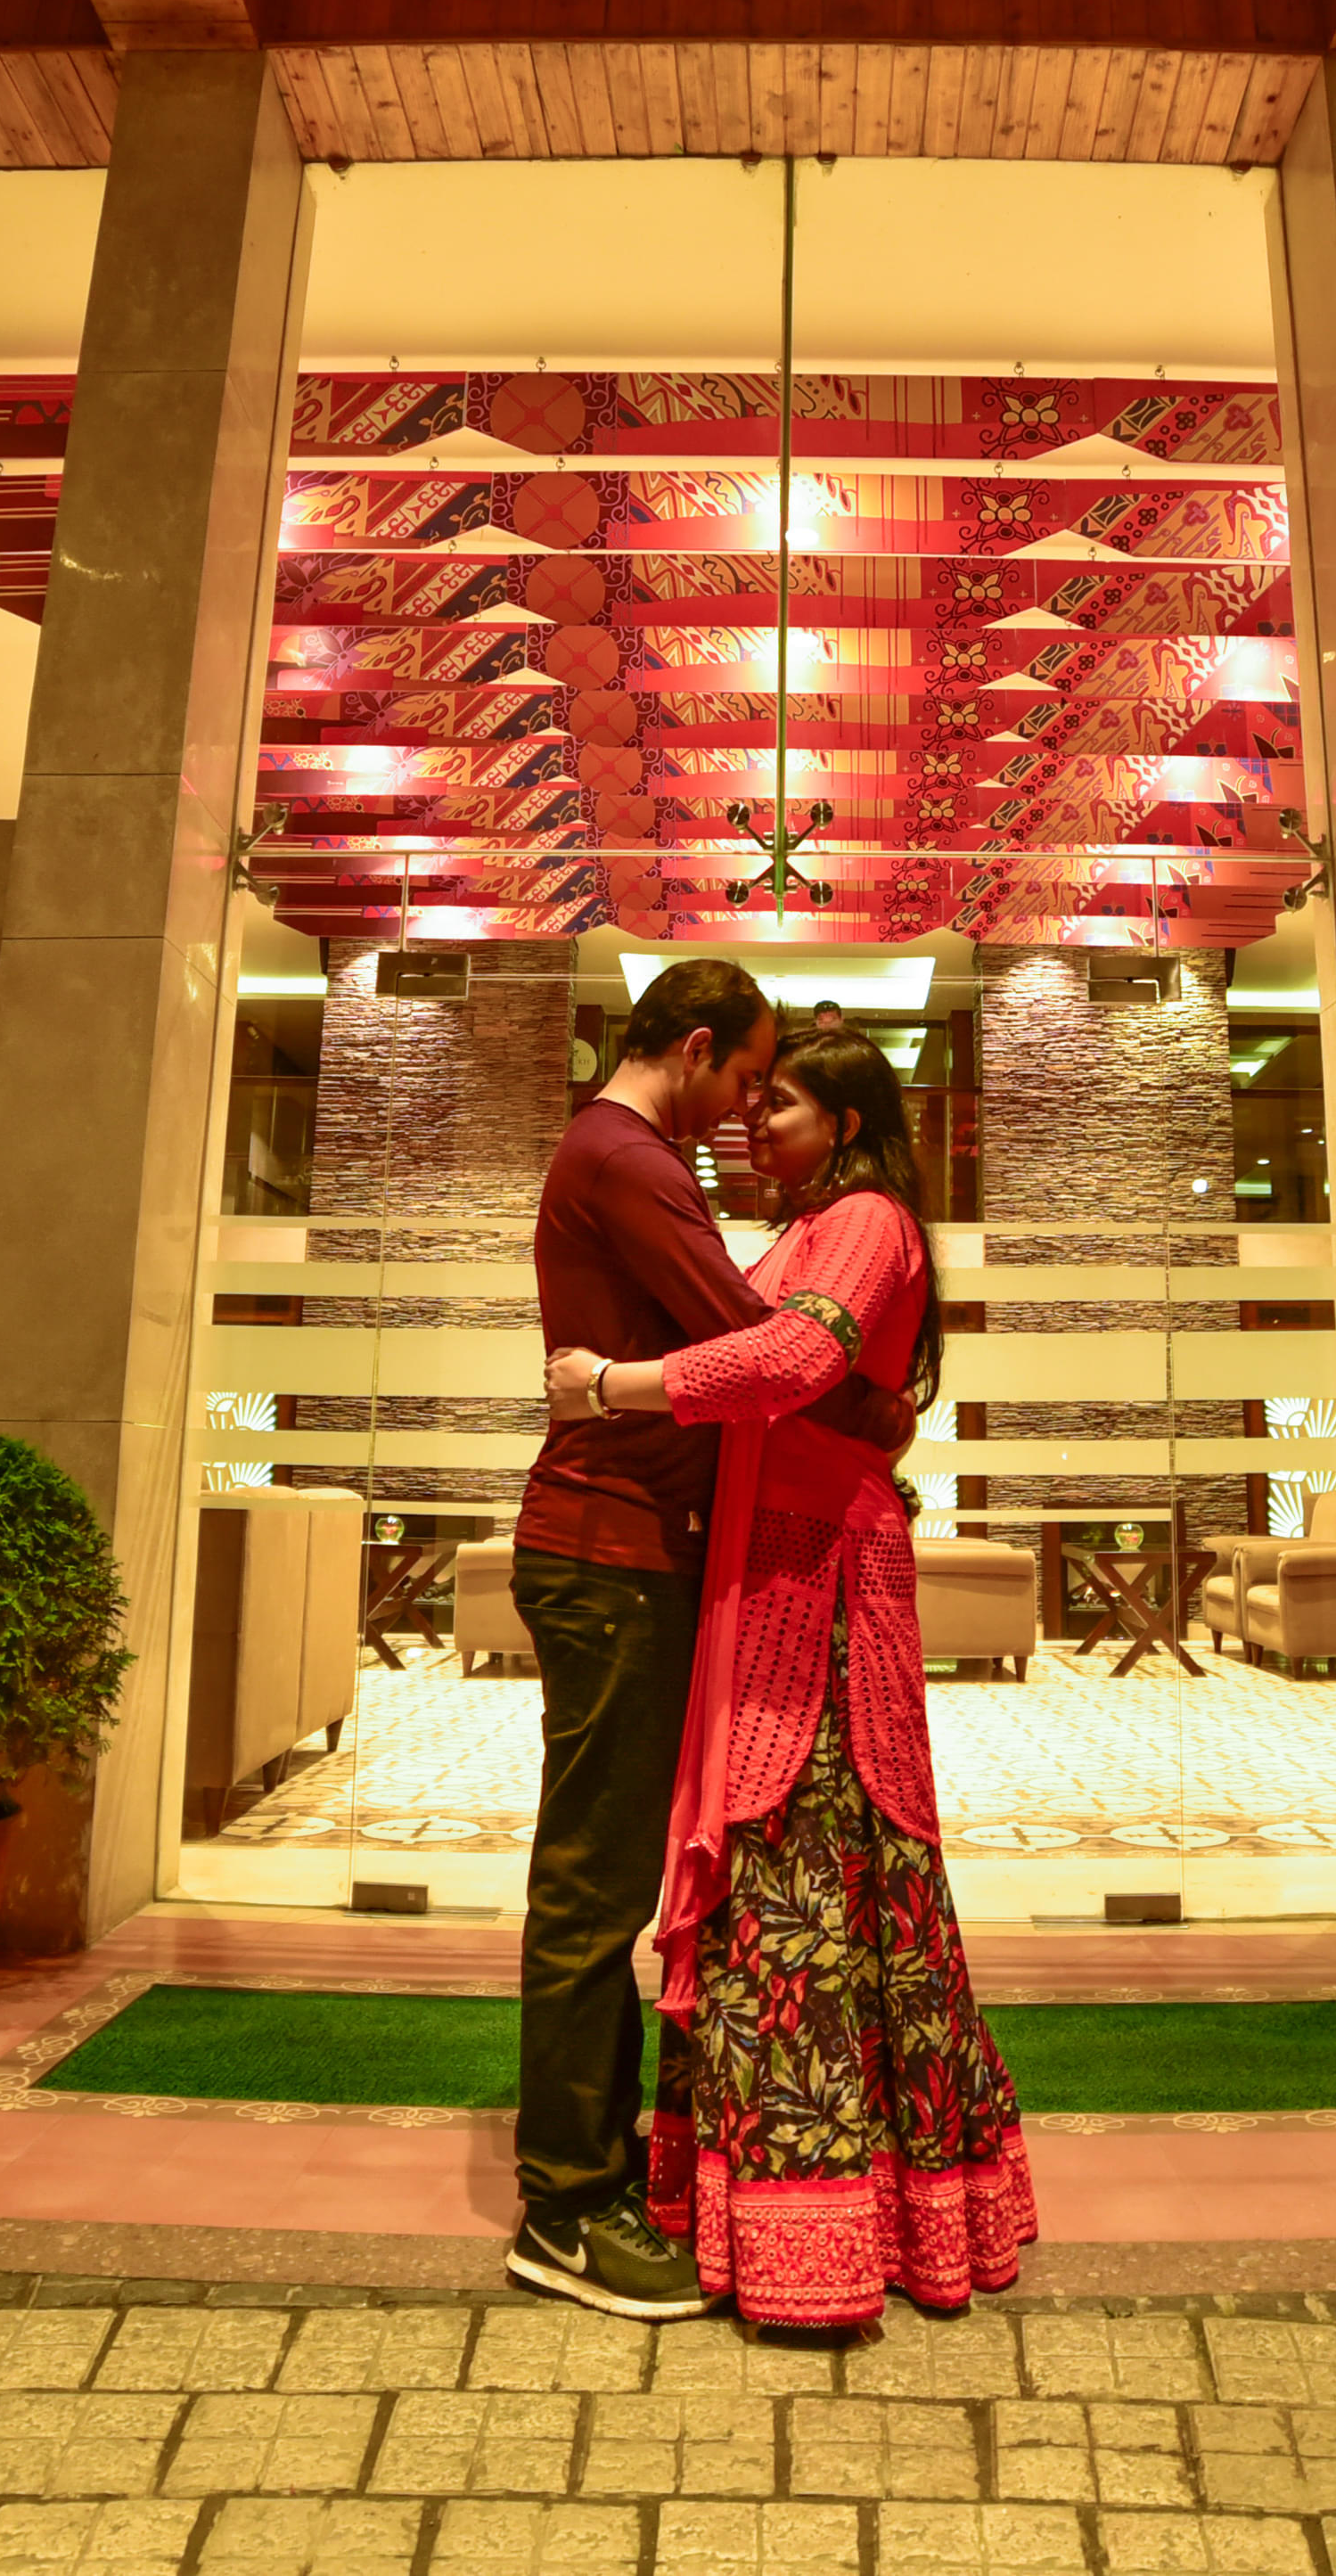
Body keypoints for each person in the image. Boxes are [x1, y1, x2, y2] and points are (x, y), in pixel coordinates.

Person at [548, 1026, 1037, 2325]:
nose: (754, 1127)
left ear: (853, 1128)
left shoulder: (869, 1220)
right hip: (763, 1587)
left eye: (783, 1108)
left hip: (820, 1596)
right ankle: (756, 2223)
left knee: (825, 1884)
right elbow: (793, 1366)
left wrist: (608, 1385)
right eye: (751, 1104)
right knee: (771, 1883)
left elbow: (787, 1364)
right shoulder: (802, 1236)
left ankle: (836, 2237)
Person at [500, 958, 907, 2319]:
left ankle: (599, 2170)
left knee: (609, 1878)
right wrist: (873, 1417)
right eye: (744, 1076)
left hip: (630, 1554)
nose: (744, 1111)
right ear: (692, 1045)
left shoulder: (629, 1155)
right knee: (593, 1886)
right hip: (605, 1552)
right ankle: (564, 2208)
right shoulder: (625, 1155)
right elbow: (754, 1340)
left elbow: (749, 1343)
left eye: (770, 1096)